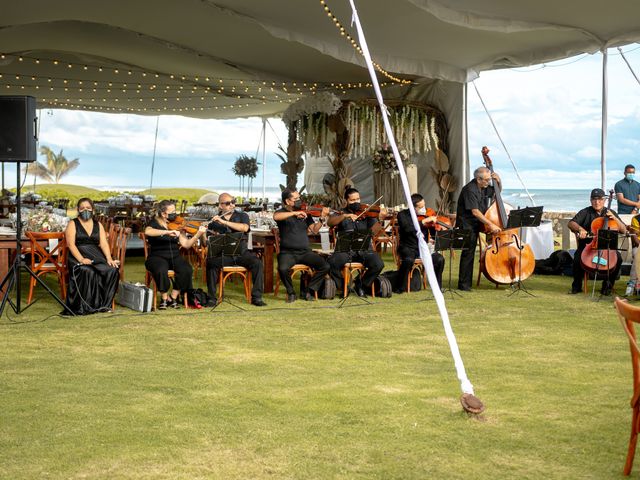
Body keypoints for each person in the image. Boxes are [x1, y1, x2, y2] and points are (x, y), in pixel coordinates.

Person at [205, 192, 266, 307]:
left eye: (233, 202)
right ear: (220, 205)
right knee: (211, 263)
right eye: (228, 203)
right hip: (224, 254)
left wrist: (224, 222)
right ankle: (212, 298)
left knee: (257, 263)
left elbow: (244, 227)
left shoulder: (242, 216)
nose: (232, 205)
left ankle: (256, 297)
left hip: (241, 252)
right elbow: (207, 240)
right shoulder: (213, 220)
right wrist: (203, 232)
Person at [144, 200, 206, 309]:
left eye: (175, 211)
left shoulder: (177, 226)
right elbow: (148, 231)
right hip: (156, 256)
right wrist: (166, 232)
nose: (175, 214)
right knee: (160, 269)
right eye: (172, 212)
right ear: (163, 214)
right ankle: (164, 298)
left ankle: (173, 296)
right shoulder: (155, 223)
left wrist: (197, 235)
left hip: (174, 256)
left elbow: (186, 244)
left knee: (186, 269)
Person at [273, 188, 330, 303]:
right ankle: (291, 292)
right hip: (287, 252)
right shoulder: (282, 212)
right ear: (287, 201)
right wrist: (294, 213)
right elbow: (276, 217)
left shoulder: (305, 214)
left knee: (325, 266)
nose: (299, 201)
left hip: (305, 252)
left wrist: (322, 218)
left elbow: (314, 230)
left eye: (299, 198)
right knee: (282, 268)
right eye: (296, 199)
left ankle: (309, 290)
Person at [327, 187, 385, 297]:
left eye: (358, 199)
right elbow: (330, 222)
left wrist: (380, 220)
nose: (356, 202)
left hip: (364, 249)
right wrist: (344, 216)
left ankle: (361, 285)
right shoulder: (341, 212)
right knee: (332, 263)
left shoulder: (366, 212)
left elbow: (374, 232)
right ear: (346, 201)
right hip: (345, 250)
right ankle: (344, 286)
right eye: (352, 200)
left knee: (378, 264)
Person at [65, 197, 120, 314]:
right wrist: (81, 259)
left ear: (93, 210)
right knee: (87, 270)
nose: (85, 210)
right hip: (77, 256)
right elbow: (70, 244)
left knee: (112, 270)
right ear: (78, 210)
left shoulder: (98, 224)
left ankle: (105, 305)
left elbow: (104, 243)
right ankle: (87, 306)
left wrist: (109, 258)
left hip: (96, 255)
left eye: (88, 208)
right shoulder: (72, 223)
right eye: (82, 208)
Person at [567, 188, 627, 295]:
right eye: (594, 199)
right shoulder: (585, 212)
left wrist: (615, 218)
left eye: (599, 199)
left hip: (607, 248)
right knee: (577, 258)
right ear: (591, 200)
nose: (597, 202)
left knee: (618, 259)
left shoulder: (611, 213)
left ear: (604, 200)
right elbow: (571, 223)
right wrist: (580, 229)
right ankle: (576, 286)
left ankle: (607, 286)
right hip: (588, 247)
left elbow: (623, 230)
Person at [455, 166, 501, 291]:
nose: (488, 182)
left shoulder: (483, 187)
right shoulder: (470, 190)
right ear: (478, 179)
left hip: (476, 224)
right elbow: (475, 212)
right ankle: (464, 285)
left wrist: (499, 181)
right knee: (468, 254)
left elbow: (496, 193)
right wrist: (490, 224)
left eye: (489, 180)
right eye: (486, 180)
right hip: (467, 224)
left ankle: (467, 283)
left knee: (470, 254)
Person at [395, 193, 445, 292]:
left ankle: (437, 287)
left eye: (424, 205)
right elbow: (407, 229)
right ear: (413, 207)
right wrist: (423, 222)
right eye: (420, 207)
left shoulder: (427, 215)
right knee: (408, 260)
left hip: (423, 248)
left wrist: (436, 228)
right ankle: (400, 286)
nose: (424, 209)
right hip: (408, 247)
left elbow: (434, 235)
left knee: (439, 259)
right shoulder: (402, 215)